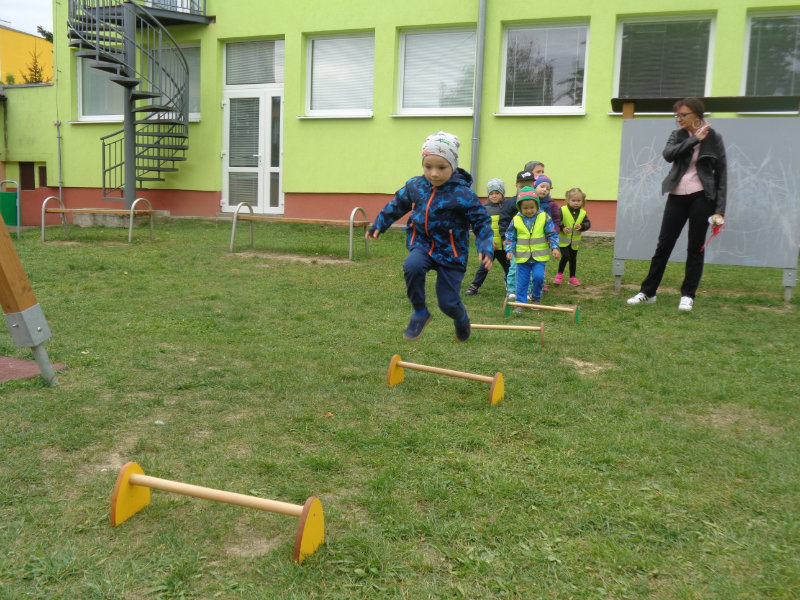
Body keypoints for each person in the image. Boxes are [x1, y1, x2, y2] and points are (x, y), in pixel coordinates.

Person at [366, 131, 493, 341]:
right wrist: (380, 223)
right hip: (422, 244)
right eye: (428, 167)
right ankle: (420, 312)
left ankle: (461, 318)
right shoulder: (416, 186)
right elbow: (398, 204)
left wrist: (485, 247)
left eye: (442, 167)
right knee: (412, 266)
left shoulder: (463, 194)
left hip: (452, 253)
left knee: (448, 303)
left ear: (453, 166)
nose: (434, 174)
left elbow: (482, 222)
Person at [627, 98, 726, 312]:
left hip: (702, 197)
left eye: (683, 115)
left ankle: (688, 295)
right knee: (663, 246)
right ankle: (648, 292)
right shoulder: (677, 135)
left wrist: (720, 210)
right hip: (676, 196)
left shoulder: (714, 137)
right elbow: (668, 155)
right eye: (677, 115)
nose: (679, 119)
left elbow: (722, 174)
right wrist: (694, 139)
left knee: (695, 248)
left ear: (697, 115)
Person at [504, 187, 560, 311]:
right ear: (519, 208)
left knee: (538, 278)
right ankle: (520, 303)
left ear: (537, 205)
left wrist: (555, 247)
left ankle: (536, 298)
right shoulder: (516, 220)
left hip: (539, 257)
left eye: (532, 207)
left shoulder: (544, 217)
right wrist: (510, 250)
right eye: (525, 208)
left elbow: (552, 233)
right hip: (522, 257)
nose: (529, 211)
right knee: (522, 281)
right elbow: (510, 237)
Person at [464, 178, 514, 296]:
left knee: (509, 267)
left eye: (497, 193)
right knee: (484, 266)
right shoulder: (484, 209)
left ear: (502, 193)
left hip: (504, 246)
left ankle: (510, 285)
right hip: (491, 246)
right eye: (491, 193)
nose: (494, 196)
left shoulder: (507, 208)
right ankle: (475, 286)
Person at [499, 169, 538, 300]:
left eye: (529, 186)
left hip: (532, 244)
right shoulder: (511, 203)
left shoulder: (536, 203)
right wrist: (504, 238)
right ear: (516, 186)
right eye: (522, 186)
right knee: (514, 267)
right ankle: (511, 288)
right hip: (515, 242)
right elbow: (504, 221)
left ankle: (528, 289)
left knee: (530, 268)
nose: (525, 189)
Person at [554, 187, 591, 286]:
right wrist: (562, 227)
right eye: (573, 200)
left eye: (578, 201)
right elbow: (556, 221)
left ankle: (572, 277)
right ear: (567, 200)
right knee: (566, 256)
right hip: (563, 241)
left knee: (573, 259)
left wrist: (582, 226)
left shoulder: (583, 213)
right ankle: (559, 274)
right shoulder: (562, 210)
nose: (576, 203)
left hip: (574, 243)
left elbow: (588, 223)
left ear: (582, 201)